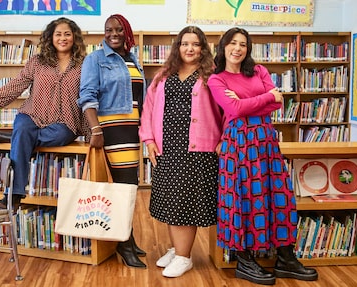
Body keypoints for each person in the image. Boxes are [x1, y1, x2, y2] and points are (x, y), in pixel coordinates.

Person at [207, 27, 318, 285]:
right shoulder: (216, 79)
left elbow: (277, 103)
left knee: (280, 195)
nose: (238, 48)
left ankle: (286, 258)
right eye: (233, 43)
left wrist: (253, 100)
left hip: (266, 139)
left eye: (243, 44)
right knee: (243, 196)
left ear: (248, 48)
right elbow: (233, 108)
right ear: (223, 47)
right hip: (239, 142)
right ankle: (244, 260)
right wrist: (264, 97)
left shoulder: (258, 71)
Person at [0, 17, 89, 210]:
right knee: (24, 128)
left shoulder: (85, 64)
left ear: (74, 37)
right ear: (50, 37)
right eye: (58, 34)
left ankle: (18, 138)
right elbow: (16, 86)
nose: (63, 38)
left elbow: (89, 95)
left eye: (67, 34)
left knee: (60, 136)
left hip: (64, 120)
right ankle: (14, 194)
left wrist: (93, 131)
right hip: (32, 114)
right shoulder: (37, 62)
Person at [139, 26, 223, 278]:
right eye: (185, 44)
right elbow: (148, 109)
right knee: (169, 202)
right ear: (177, 47)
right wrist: (149, 139)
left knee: (185, 205)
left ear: (203, 48)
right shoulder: (163, 76)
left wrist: (224, 139)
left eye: (195, 44)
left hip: (198, 151)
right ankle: (178, 249)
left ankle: (185, 257)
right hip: (168, 148)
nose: (189, 49)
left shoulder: (212, 76)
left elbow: (229, 110)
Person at [78, 14, 147, 269]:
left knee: (129, 186)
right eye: (109, 30)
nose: (113, 34)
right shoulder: (95, 59)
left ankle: (127, 237)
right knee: (122, 187)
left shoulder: (133, 58)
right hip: (111, 128)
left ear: (126, 31)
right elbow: (87, 95)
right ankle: (123, 243)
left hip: (132, 129)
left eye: (119, 29)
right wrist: (96, 129)